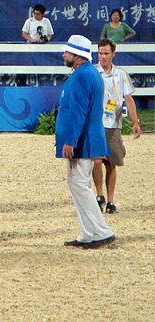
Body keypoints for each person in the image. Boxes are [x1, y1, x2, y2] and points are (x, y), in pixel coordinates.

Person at [56, 35, 115, 249]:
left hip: (82, 142)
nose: (63, 55)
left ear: (77, 55)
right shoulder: (89, 73)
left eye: (67, 52)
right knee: (78, 184)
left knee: (79, 184)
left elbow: (78, 112)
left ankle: (100, 231)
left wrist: (70, 140)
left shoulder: (82, 76)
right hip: (88, 139)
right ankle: (88, 233)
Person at [92, 39, 141, 214]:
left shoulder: (120, 74)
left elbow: (129, 98)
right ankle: (99, 195)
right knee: (96, 160)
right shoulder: (92, 72)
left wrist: (135, 121)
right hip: (95, 123)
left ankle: (111, 200)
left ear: (113, 54)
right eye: (100, 53)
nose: (103, 56)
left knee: (111, 164)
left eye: (106, 53)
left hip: (113, 124)